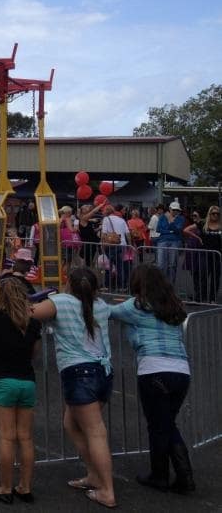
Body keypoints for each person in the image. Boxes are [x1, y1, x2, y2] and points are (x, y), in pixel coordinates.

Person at [31, 267, 116, 509]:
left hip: (79, 372)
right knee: (72, 423)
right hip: (102, 371)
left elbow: (31, 312)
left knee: (95, 431)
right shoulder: (101, 306)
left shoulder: (61, 302)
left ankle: (107, 490)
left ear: (69, 283)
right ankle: (94, 474)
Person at [109, 264, 195, 494]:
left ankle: (164, 474)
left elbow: (109, 312)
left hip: (154, 369)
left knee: (158, 425)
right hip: (181, 369)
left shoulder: (135, 306)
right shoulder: (174, 306)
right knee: (166, 423)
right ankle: (180, 474)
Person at [0, 276, 42, 505]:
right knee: (25, 437)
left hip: (4, 380)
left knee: (7, 436)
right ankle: (25, 486)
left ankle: (5, 487)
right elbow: (35, 352)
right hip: (27, 380)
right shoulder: (33, 323)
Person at [192, 205, 221, 303]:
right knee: (203, 276)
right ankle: (200, 297)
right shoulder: (203, 224)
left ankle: (212, 298)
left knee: (215, 278)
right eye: (213, 213)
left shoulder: (221, 225)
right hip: (205, 254)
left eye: (217, 214)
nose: (215, 215)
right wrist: (198, 238)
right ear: (209, 214)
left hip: (217, 255)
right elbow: (186, 230)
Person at [101, 204, 130, 291]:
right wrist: (129, 245)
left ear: (106, 211)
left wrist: (102, 245)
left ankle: (107, 285)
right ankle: (122, 286)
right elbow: (127, 234)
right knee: (120, 266)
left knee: (108, 266)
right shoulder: (121, 220)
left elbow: (104, 234)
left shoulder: (106, 219)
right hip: (122, 244)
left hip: (111, 245)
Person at [156, 201, 185, 283]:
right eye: (174, 209)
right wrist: (170, 231)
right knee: (161, 264)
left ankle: (170, 284)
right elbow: (158, 229)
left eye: (177, 210)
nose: (175, 211)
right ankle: (161, 283)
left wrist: (171, 222)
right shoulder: (162, 217)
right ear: (170, 209)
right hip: (162, 241)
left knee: (172, 265)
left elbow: (178, 230)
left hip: (174, 241)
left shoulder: (181, 218)